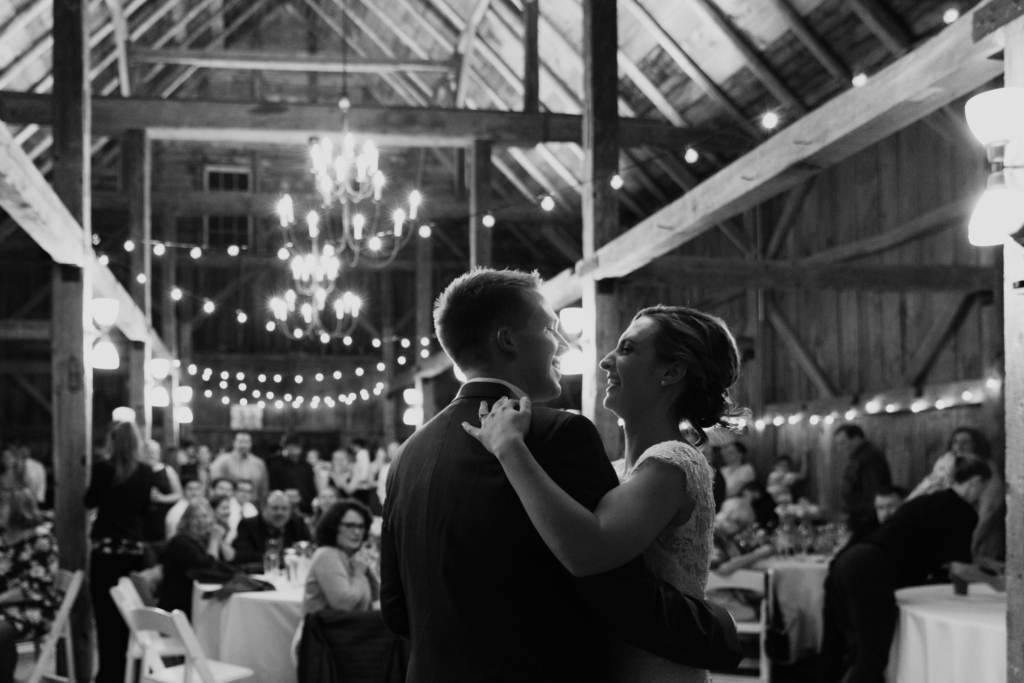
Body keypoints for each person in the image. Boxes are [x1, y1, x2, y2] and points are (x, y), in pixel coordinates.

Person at [382, 268, 740, 683]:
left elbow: (395, 609)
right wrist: (718, 629)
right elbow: (614, 595)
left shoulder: (407, 455)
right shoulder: (559, 435)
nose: (570, 345)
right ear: (508, 340)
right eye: (552, 329)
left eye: (626, 348)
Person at [466, 302, 746, 682]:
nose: (605, 361)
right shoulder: (617, 470)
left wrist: (509, 448)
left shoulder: (675, 462)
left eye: (628, 349)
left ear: (672, 371)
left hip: (656, 669)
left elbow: (586, 552)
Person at [821, 456, 990, 683]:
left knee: (858, 652)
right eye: (983, 488)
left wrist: (993, 566)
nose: (982, 495)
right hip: (870, 573)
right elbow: (959, 567)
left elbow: (957, 558)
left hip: (851, 563)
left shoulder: (932, 501)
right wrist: (998, 584)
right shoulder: (962, 512)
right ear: (975, 482)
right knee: (872, 659)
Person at [85, 420, 155, 683]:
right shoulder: (146, 472)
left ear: (112, 442)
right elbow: (146, 509)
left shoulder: (103, 469)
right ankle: (128, 673)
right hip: (132, 551)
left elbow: (88, 501)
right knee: (129, 614)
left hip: (105, 552)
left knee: (105, 618)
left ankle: (107, 675)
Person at [908, 427, 1005, 559]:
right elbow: (925, 489)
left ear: (977, 444)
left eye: (965, 442)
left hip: (976, 535)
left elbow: (989, 509)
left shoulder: (984, 469)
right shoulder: (945, 464)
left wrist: (973, 542)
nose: (959, 446)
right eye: (955, 442)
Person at [0, 489, 60, 683]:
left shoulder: (41, 540)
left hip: (35, 608)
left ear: (18, 510)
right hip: (6, 607)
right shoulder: (3, 539)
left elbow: (36, 587)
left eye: (2, 506)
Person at [158, 499, 233, 618]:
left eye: (205, 516)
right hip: (180, 611)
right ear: (186, 521)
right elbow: (206, 568)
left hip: (198, 604)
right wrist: (214, 541)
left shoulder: (202, 542)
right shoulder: (180, 543)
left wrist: (220, 540)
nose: (201, 522)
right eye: (195, 518)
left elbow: (230, 558)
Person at [303, 500, 378, 615]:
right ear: (333, 527)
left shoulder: (352, 558)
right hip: (326, 631)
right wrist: (359, 573)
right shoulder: (327, 555)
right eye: (350, 526)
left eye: (361, 526)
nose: (357, 532)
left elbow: (376, 599)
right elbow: (344, 605)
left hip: (352, 630)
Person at [833, 424, 891, 537]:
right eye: (838, 444)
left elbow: (874, 493)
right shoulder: (860, 456)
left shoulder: (870, 457)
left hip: (864, 520)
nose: (840, 448)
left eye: (842, 443)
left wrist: (864, 521)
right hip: (858, 517)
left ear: (856, 439)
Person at [232, 490, 311, 568]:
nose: (280, 513)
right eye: (275, 508)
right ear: (263, 509)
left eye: (284, 508)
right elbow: (244, 557)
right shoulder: (247, 525)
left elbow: (309, 551)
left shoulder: (297, 524)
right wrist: (282, 559)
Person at [142, 440, 183, 542]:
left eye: (154, 452)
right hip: (144, 515)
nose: (151, 455)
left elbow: (179, 494)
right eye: (149, 452)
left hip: (162, 515)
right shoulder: (139, 471)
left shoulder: (167, 470)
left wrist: (162, 498)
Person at [210, 432, 268, 502]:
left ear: (251, 443)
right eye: (240, 441)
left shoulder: (259, 463)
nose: (243, 445)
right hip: (228, 504)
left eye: (247, 442)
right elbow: (214, 485)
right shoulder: (222, 461)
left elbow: (264, 489)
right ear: (233, 442)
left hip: (254, 505)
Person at [267, 434, 317, 514]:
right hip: (282, 507)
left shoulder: (307, 466)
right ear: (286, 447)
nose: (294, 448)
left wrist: (303, 501)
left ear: (301, 448)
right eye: (291, 445)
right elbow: (273, 487)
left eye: (297, 445)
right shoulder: (276, 465)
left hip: (304, 507)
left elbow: (311, 488)